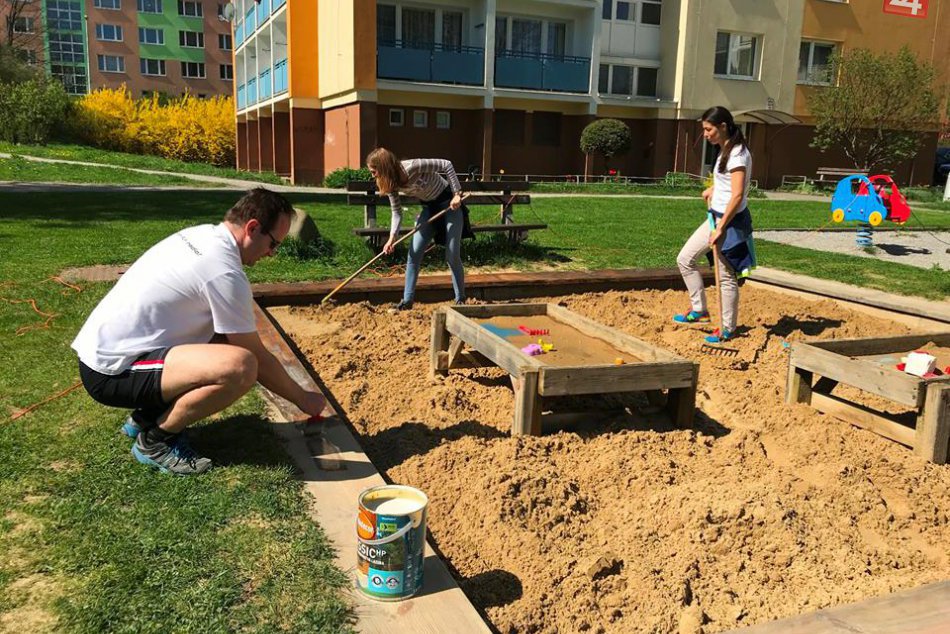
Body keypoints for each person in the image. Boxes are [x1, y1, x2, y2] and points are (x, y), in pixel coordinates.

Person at [72, 188, 328, 475]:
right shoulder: (224, 272)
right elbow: (256, 356)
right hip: (111, 372)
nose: (272, 253)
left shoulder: (202, 235)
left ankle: (146, 417)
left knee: (223, 342)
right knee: (241, 367)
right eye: (273, 244)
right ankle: (156, 439)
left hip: (110, 353)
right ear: (252, 228)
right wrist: (304, 399)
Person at [673, 106, 756, 344]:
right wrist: (713, 189)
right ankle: (700, 310)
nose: (705, 134)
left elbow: (738, 194)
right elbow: (728, 184)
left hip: (728, 222)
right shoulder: (725, 150)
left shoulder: (738, 153)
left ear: (723, 126)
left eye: (708, 129)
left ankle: (727, 328)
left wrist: (721, 228)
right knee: (685, 259)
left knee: (726, 276)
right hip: (715, 217)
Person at [366, 148, 470, 310]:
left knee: (451, 254)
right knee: (413, 253)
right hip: (429, 210)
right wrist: (392, 238)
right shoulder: (391, 184)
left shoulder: (413, 166)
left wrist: (457, 193)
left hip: (450, 205)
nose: (373, 176)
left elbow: (446, 165)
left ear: (384, 167)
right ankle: (407, 301)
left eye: (374, 171)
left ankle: (460, 299)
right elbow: (397, 212)